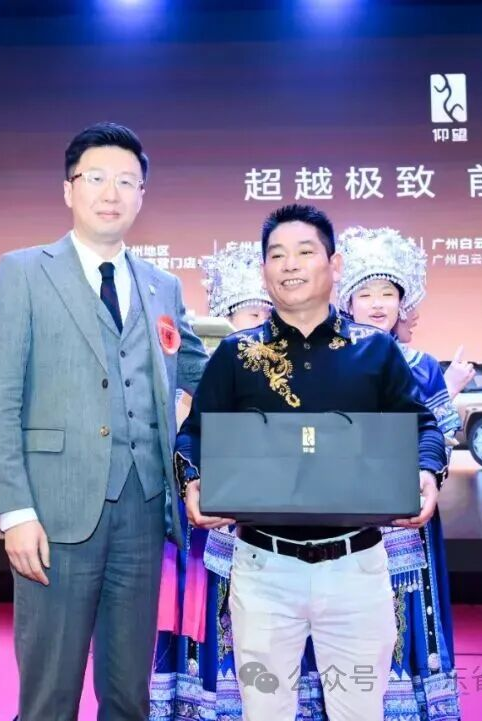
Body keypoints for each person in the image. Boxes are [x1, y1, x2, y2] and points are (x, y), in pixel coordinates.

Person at [179, 204, 447, 721]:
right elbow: (194, 435)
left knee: (359, 711)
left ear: (334, 263)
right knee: (264, 711)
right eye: (277, 255)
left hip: (357, 567)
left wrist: (424, 472)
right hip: (262, 568)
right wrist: (192, 479)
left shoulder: (375, 351)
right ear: (264, 269)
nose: (290, 265)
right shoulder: (236, 355)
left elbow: (423, 427)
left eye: (304, 252)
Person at [0, 122, 209, 721]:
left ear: (142, 196)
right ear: (68, 189)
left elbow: (202, 373)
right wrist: (15, 512)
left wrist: (283, 364)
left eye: (127, 182)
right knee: (50, 696)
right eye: (97, 178)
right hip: (53, 514)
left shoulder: (161, 286)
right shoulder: (24, 273)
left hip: (143, 510)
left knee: (129, 694)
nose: (112, 193)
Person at [151, 242, 327, 720]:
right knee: (213, 614)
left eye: (264, 314)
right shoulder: (213, 370)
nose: (258, 323)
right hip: (211, 519)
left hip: (277, 524)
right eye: (249, 314)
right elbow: (189, 438)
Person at [337, 226, 463, 721]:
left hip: (406, 516)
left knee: (406, 613)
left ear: (402, 302)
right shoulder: (326, 362)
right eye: (365, 293)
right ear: (347, 300)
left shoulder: (422, 365)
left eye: (387, 293)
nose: (376, 304)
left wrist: (429, 473)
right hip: (340, 514)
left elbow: (441, 438)